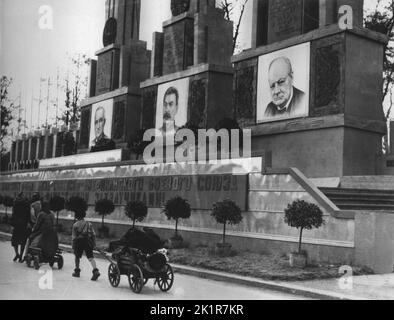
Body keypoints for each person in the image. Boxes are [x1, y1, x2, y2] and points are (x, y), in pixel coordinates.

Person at [71, 210, 100, 281]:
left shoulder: (75, 225)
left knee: (77, 257)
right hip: (88, 241)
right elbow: (93, 234)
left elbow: (74, 237)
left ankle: (77, 272)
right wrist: (94, 243)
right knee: (91, 257)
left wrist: (73, 245)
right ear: (83, 216)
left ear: (77, 216)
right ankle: (95, 271)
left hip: (79, 242)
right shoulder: (89, 224)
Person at [11, 193, 31, 262]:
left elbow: (28, 214)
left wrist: (28, 222)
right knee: (15, 241)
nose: (22, 197)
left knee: (22, 241)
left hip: (23, 224)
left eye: (23, 196)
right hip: (18, 224)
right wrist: (12, 225)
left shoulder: (26, 204)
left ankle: (20, 256)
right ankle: (17, 254)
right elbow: (13, 214)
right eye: (21, 196)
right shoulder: (15, 203)